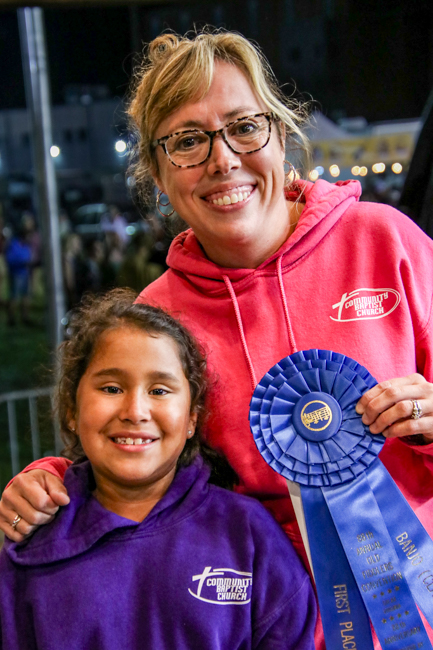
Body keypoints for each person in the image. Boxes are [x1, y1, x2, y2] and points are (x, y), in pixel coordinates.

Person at [1, 29, 433, 648]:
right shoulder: (155, 317)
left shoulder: (387, 243)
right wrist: (55, 480)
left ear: (280, 135)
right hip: (258, 623)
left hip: (417, 609)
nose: (222, 159)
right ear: (157, 170)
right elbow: (139, 463)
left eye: (243, 127)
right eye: (187, 142)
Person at [0, 288, 316, 650]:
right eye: (112, 387)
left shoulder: (248, 535)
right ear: (72, 410)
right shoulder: (34, 541)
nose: (135, 411)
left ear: (192, 418)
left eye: (160, 391)